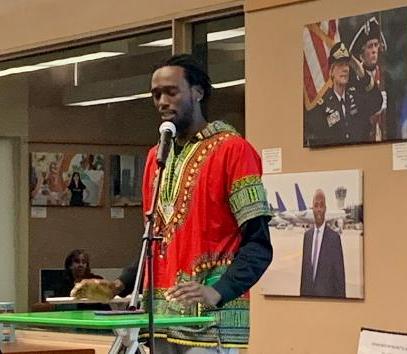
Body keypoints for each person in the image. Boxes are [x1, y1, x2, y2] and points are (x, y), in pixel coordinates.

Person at [71, 54, 273, 353]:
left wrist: (218, 291)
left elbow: (259, 245)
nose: (162, 101)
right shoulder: (157, 157)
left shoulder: (234, 150)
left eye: (171, 91)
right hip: (159, 323)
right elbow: (156, 239)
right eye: (156, 95)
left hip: (208, 325)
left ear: (198, 92)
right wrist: (118, 285)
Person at [304, 41, 383, 147]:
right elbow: (316, 133)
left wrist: (361, 73)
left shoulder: (356, 97)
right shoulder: (322, 105)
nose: (345, 69)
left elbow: (377, 102)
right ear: (331, 71)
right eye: (340, 65)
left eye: (347, 65)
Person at [349, 17, 390, 141]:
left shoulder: (387, 79)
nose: (374, 50)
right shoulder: (353, 81)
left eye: (376, 45)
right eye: (369, 46)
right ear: (361, 54)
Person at [300, 189, 345, 297]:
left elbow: (340, 278)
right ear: (313, 209)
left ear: (325, 209)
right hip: (308, 300)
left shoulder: (334, 238)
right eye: (316, 206)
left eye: (322, 205)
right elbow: (304, 274)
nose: (319, 209)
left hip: (327, 302)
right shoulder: (307, 237)